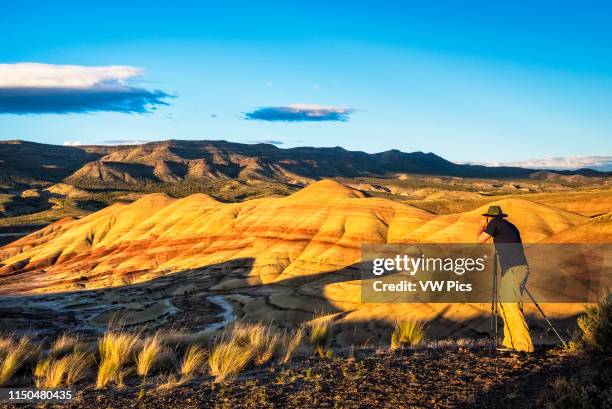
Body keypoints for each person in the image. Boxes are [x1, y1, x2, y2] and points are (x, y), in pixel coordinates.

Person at [476, 205, 534, 352]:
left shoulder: (494, 223)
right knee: (507, 305)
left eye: (486, 217)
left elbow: (479, 240)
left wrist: (482, 225)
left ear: (489, 216)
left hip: (514, 270)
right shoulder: (508, 225)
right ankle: (510, 342)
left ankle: (523, 345)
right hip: (515, 270)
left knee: (510, 306)